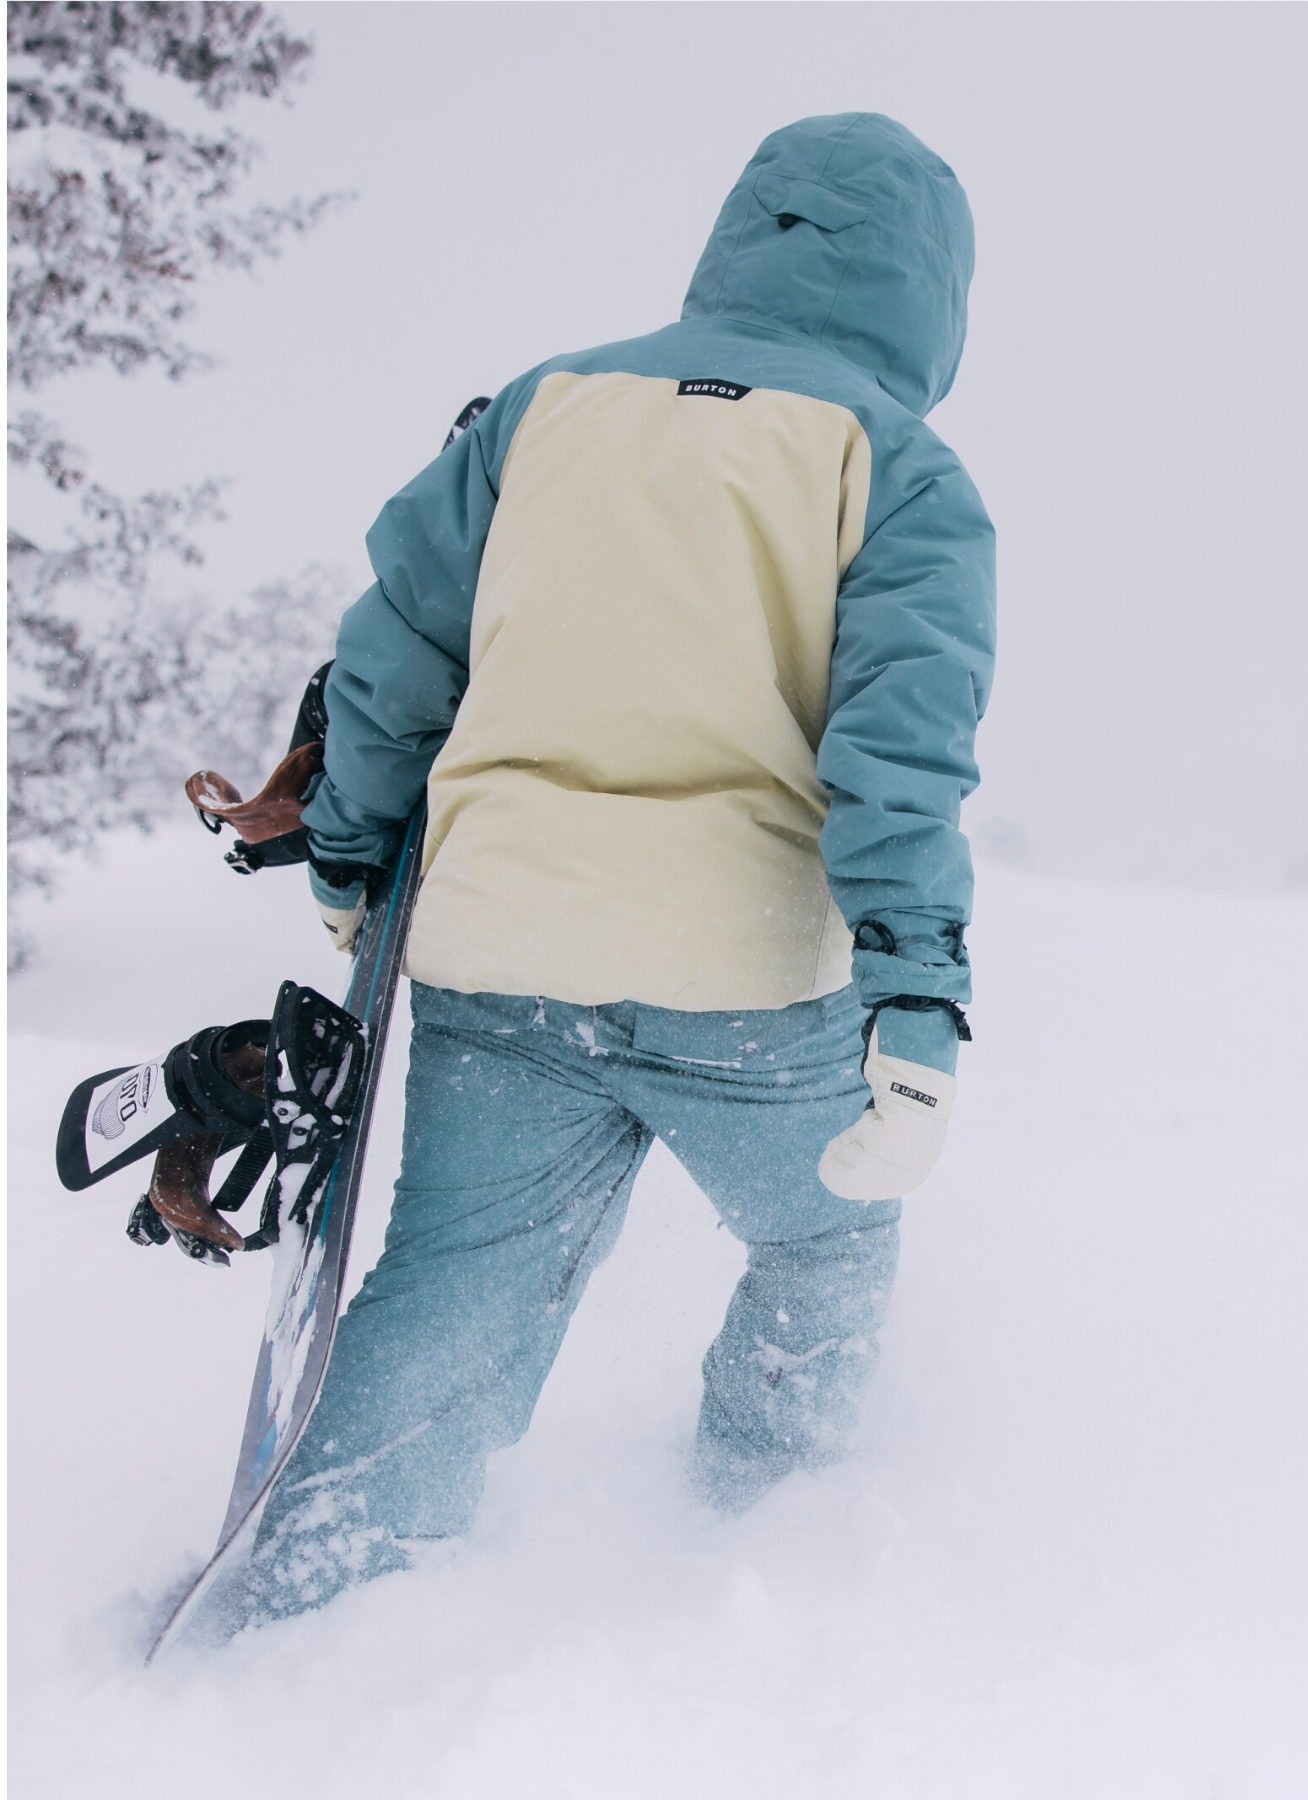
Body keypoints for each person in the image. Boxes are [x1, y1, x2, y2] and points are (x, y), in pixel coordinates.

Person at [242, 110, 995, 1625]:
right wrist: (916, 1012)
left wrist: (343, 855)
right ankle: (766, 1531)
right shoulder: (900, 465)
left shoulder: (542, 406)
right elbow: (896, 758)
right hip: (746, 983)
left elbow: (393, 656)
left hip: (496, 951)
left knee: (454, 1278)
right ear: (932, 292)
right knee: (824, 1237)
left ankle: (320, 1591)